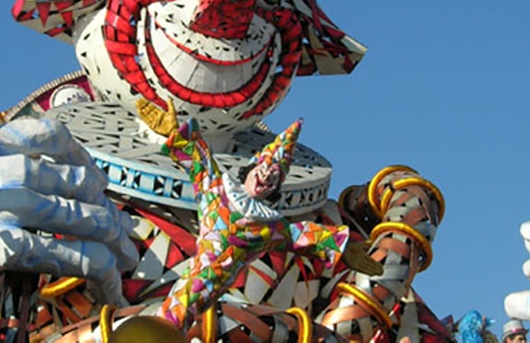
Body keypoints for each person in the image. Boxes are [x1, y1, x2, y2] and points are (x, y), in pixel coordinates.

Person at [135, 98, 381, 330]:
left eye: (274, 176)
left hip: (209, 294)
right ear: (250, 170)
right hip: (187, 284)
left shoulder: (267, 227)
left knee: (174, 325)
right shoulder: (219, 191)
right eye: (264, 168)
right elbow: (201, 160)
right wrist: (173, 131)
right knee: (167, 320)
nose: (267, 175)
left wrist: (344, 247)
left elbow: (303, 234)